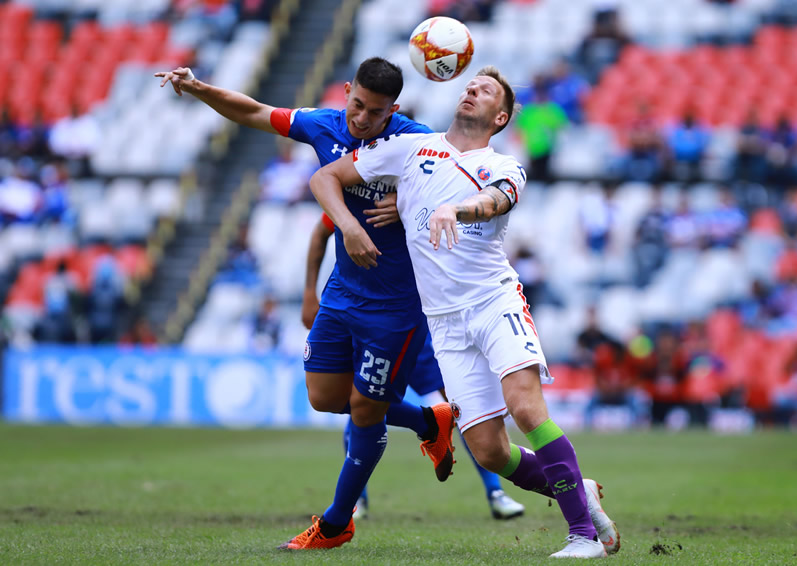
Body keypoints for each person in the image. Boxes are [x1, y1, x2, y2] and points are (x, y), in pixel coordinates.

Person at [311, 66, 620, 558]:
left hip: (494, 302)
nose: (472, 90)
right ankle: (579, 491)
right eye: (470, 85)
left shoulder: (504, 164)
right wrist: (348, 225)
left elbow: (497, 200)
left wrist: (459, 209)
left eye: (487, 90)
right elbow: (326, 176)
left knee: (525, 406)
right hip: (445, 322)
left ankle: (583, 536)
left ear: (499, 116)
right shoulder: (410, 148)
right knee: (489, 451)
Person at [156, 58, 456, 550]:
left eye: (374, 112)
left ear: (393, 111)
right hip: (343, 291)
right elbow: (253, 112)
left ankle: (336, 524)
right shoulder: (324, 125)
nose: (361, 119)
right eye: (356, 105)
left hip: (397, 306)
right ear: (346, 92)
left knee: (365, 410)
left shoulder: (416, 142)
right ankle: (429, 420)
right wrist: (197, 87)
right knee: (325, 398)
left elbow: (456, 190)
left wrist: (407, 204)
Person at [302, 211, 526, 520]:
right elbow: (321, 229)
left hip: (416, 322)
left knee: (456, 402)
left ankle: (495, 492)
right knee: (361, 403)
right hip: (364, 317)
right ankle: (358, 501)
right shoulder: (355, 194)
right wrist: (309, 293)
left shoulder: (419, 191)